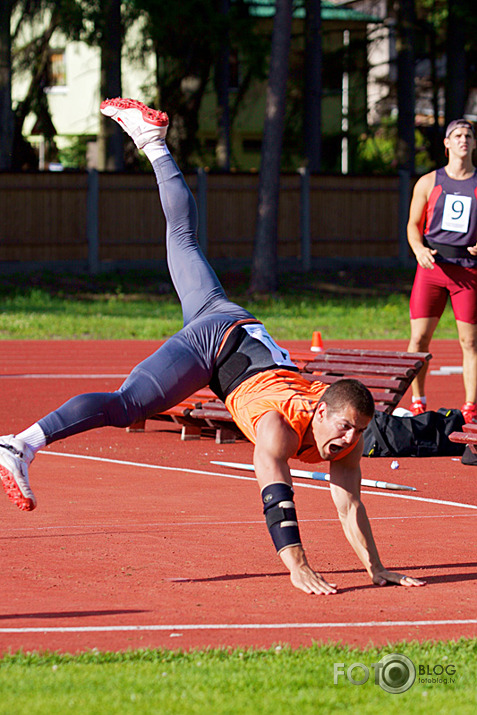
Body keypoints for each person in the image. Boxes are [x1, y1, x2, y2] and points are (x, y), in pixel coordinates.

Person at [0, 97, 425, 596]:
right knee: (127, 405)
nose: (348, 440)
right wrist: (296, 564)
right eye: (345, 428)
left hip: (235, 324)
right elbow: (275, 492)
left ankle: (154, 143)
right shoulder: (281, 424)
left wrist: (376, 568)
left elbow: (349, 503)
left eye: (356, 432)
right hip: (216, 345)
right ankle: (20, 443)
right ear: (322, 408)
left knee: (183, 237)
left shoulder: (342, 435)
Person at [407, 119, 477, 421]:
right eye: (458, 135)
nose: (464, 139)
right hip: (433, 268)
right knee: (419, 340)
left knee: (470, 342)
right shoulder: (428, 182)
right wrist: (419, 249)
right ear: (446, 144)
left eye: (469, 136)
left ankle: (471, 408)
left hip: (468, 271)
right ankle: (417, 400)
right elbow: (412, 225)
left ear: (474, 144)